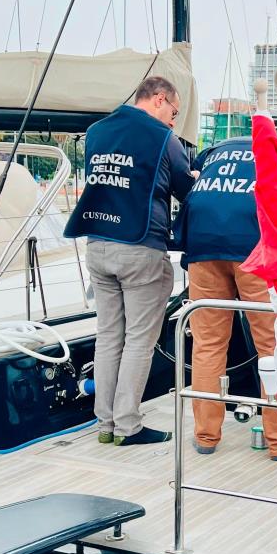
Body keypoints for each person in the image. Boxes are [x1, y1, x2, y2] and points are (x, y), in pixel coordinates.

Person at [175, 127, 277, 459]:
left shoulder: (212, 154)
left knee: (208, 344)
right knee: (273, 346)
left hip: (203, 248)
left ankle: (206, 436)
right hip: (260, 250)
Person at [65, 76, 196, 446]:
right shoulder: (163, 138)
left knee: (108, 337)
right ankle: (128, 426)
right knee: (139, 339)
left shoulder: (96, 132)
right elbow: (186, 189)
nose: (173, 120)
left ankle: (105, 425)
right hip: (141, 248)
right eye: (174, 112)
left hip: (98, 246)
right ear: (159, 99)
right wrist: (194, 175)